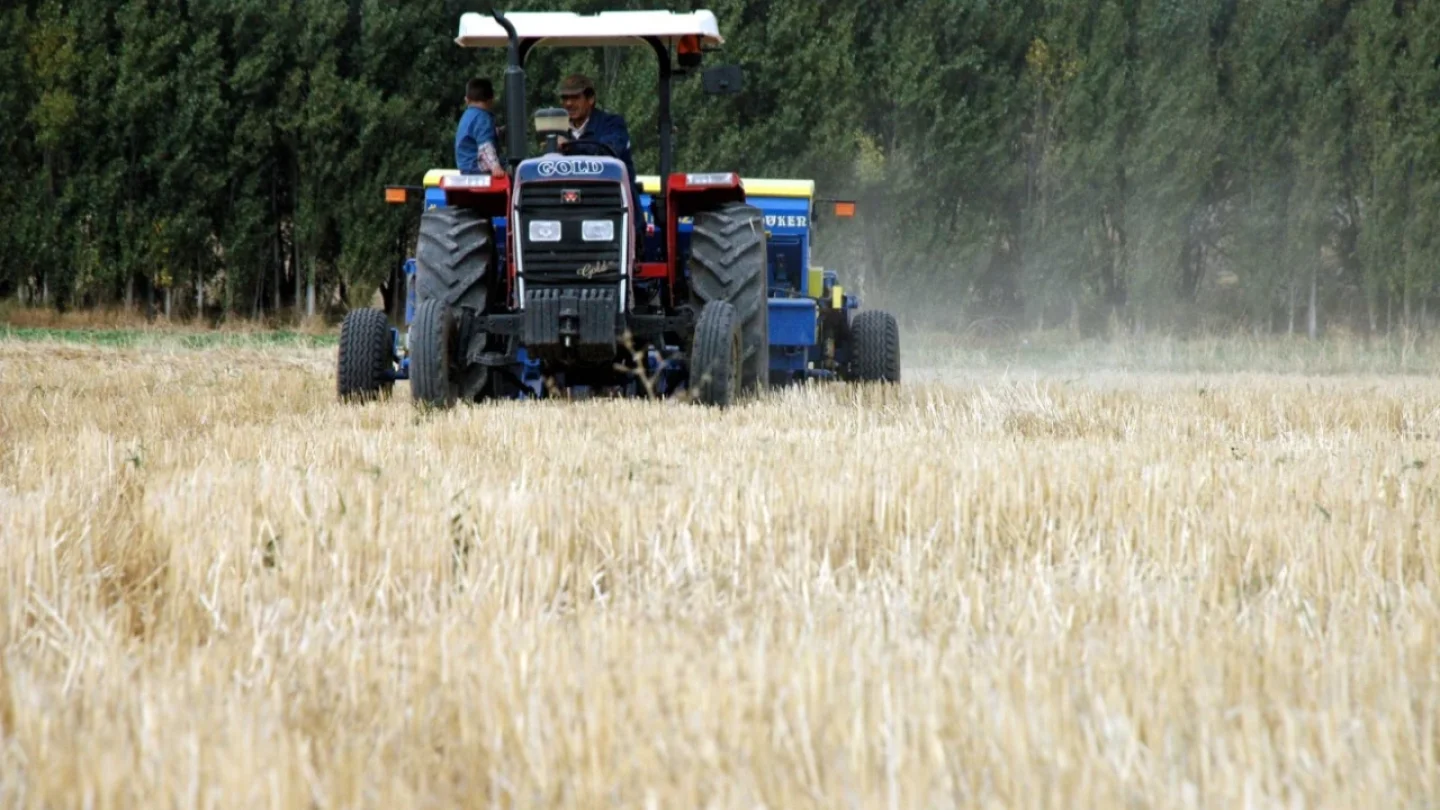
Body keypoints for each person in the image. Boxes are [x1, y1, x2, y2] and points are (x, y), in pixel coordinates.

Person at [555, 73, 636, 184]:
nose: (568, 103)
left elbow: (608, 151)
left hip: (611, 194)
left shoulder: (613, 124)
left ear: (591, 99)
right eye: (565, 98)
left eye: (575, 97)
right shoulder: (558, 130)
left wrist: (569, 146)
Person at [455, 77, 505, 176]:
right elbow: (485, 146)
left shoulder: (468, 115)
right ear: (491, 101)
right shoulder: (483, 118)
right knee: (513, 169)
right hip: (477, 169)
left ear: (467, 100)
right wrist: (495, 167)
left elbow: (476, 136)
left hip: (465, 167)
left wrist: (498, 132)